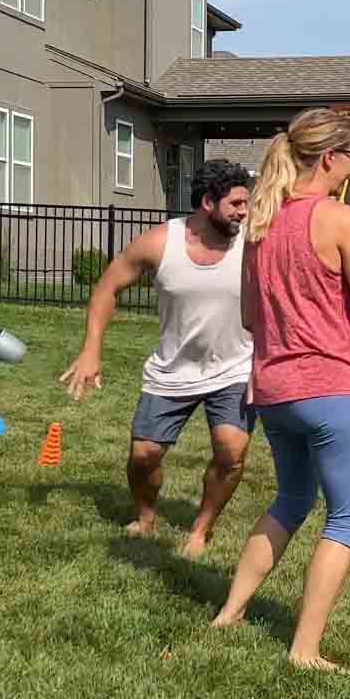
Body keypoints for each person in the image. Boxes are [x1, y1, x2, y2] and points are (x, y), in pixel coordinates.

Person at [211, 109, 350, 669]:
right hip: (329, 388)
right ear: (331, 158)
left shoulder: (261, 223)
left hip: (272, 391)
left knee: (291, 498)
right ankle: (304, 649)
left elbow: (247, 314)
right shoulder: (340, 219)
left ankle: (229, 613)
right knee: (349, 516)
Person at [60, 158, 254, 558]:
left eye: (246, 203)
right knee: (143, 456)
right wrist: (91, 349)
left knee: (230, 451)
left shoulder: (253, 242)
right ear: (206, 202)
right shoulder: (158, 243)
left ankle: (201, 530)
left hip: (235, 366)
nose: (243, 212)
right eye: (235, 204)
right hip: (172, 369)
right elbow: (106, 288)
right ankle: (146, 516)